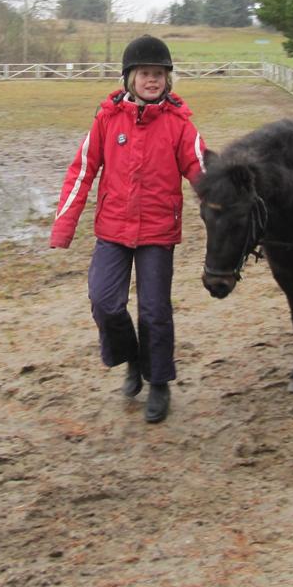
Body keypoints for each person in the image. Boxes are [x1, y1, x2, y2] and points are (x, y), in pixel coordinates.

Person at [49, 35, 207, 423]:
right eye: (144, 73)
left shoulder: (179, 125)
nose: (152, 80)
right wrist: (63, 227)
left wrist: (224, 205)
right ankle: (131, 357)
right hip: (113, 229)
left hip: (158, 231)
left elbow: (201, 169)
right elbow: (82, 171)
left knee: (155, 310)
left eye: (158, 74)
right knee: (104, 301)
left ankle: (159, 382)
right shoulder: (107, 119)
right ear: (129, 78)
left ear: (168, 80)